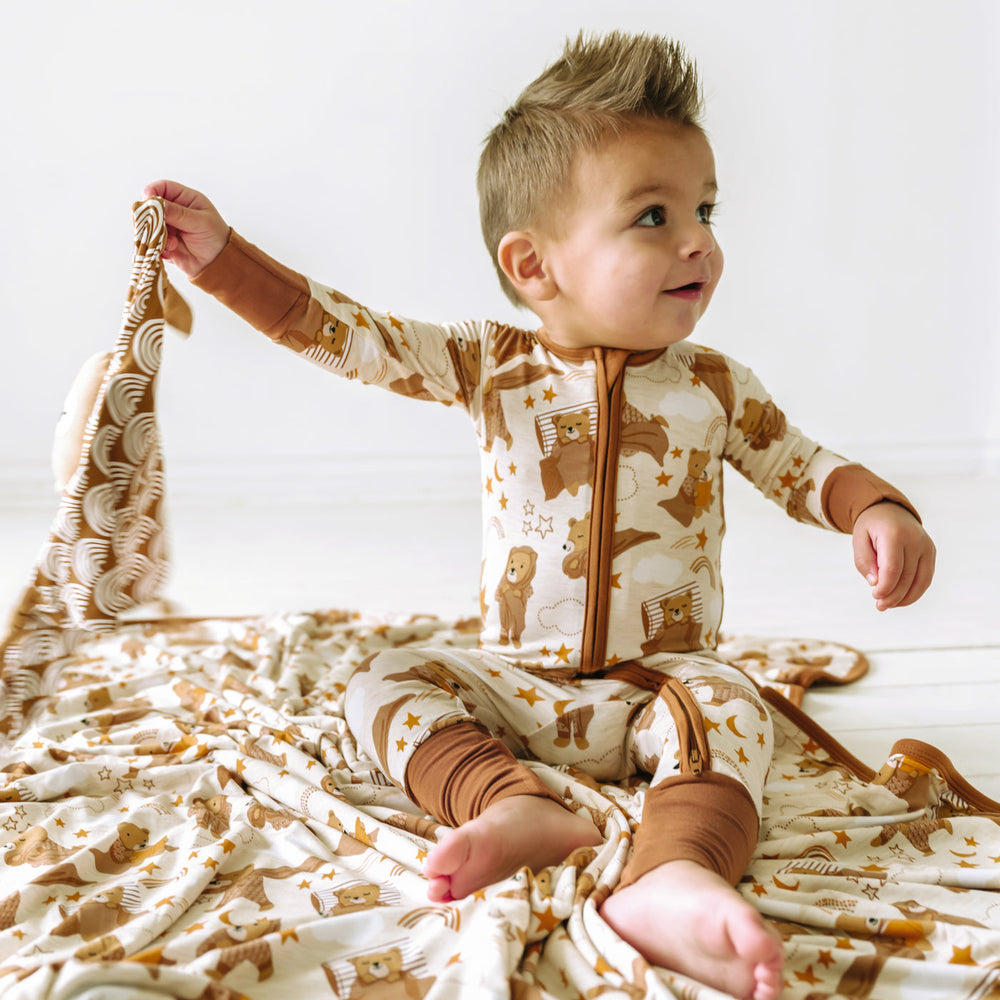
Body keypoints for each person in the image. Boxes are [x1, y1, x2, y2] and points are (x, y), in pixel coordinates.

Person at [145, 30, 935, 1000]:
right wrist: (224, 260)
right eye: (653, 215)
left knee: (735, 706)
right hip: (517, 686)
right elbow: (346, 334)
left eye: (704, 208)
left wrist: (879, 509)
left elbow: (804, 466)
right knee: (381, 680)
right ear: (533, 265)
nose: (699, 240)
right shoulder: (493, 366)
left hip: (661, 690)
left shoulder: (717, 387)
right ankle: (508, 800)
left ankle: (674, 872)